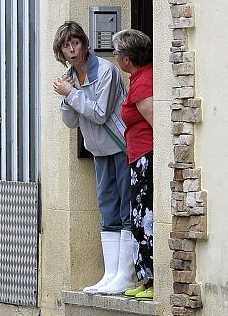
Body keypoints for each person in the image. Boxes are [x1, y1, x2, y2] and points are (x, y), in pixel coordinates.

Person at [53, 21, 136, 294]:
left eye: (76, 43)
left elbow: (100, 113)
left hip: (121, 146)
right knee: (107, 207)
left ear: (84, 44)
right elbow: (70, 121)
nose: (72, 49)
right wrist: (67, 98)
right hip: (99, 150)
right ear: (61, 51)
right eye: (66, 46)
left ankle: (126, 275)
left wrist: (71, 94)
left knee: (126, 208)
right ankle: (110, 274)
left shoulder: (106, 71)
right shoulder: (70, 78)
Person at [112, 29, 154, 301]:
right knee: (138, 216)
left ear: (126, 59)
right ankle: (145, 278)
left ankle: (151, 279)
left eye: (117, 53)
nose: (114, 57)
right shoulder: (138, 78)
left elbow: (157, 124)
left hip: (146, 158)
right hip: (137, 156)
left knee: (145, 217)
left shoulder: (143, 84)